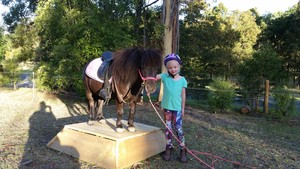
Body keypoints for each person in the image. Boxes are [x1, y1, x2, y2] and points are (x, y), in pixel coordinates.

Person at [156, 53, 188, 163]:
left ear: (179, 67)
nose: (173, 69)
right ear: (167, 68)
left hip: (178, 109)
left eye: (175, 67)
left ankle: (182, 150)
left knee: (178, 129)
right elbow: (153, 77)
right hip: (167, 109)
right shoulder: (165, 77)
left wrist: (183, 108)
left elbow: (183, 95)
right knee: (168, 129)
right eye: (170, 67)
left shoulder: (183, 79)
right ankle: (168, 149)